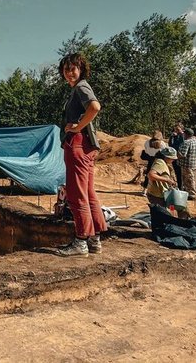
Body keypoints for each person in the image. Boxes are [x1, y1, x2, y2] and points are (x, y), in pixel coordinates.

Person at [55, 52, 107, 257]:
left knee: (77, 194)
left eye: (73, 68)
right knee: (88, 193)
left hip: (78, 145)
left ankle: (81, 241)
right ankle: (94, 240)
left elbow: (95, 107)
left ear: (81, 69)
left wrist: (77, 127)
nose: (69, 73)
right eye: (66, 69)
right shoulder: (78, 88)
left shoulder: (81, 87)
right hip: (86, 146)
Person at [178, 128, 196, 200]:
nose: (183, 135)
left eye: (184, 134)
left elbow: (182, 154)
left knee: (188, 180)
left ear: (186, 134)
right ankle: (193, 192)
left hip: (186, 165)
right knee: (193, 178)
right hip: (194, 164)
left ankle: (191, 195)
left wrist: (176, 153)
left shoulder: (186, 142)